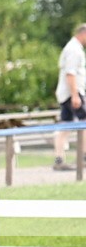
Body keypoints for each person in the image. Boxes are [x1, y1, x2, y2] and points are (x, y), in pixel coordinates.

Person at [53, 23, 86, 171]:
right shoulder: (74, 50)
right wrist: (75, 96)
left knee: (65, 126)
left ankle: (59, 159)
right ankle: (84, 157)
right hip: (72, 93)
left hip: (67, 93)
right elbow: (70, 74)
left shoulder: (73, 48)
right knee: (84, 123)